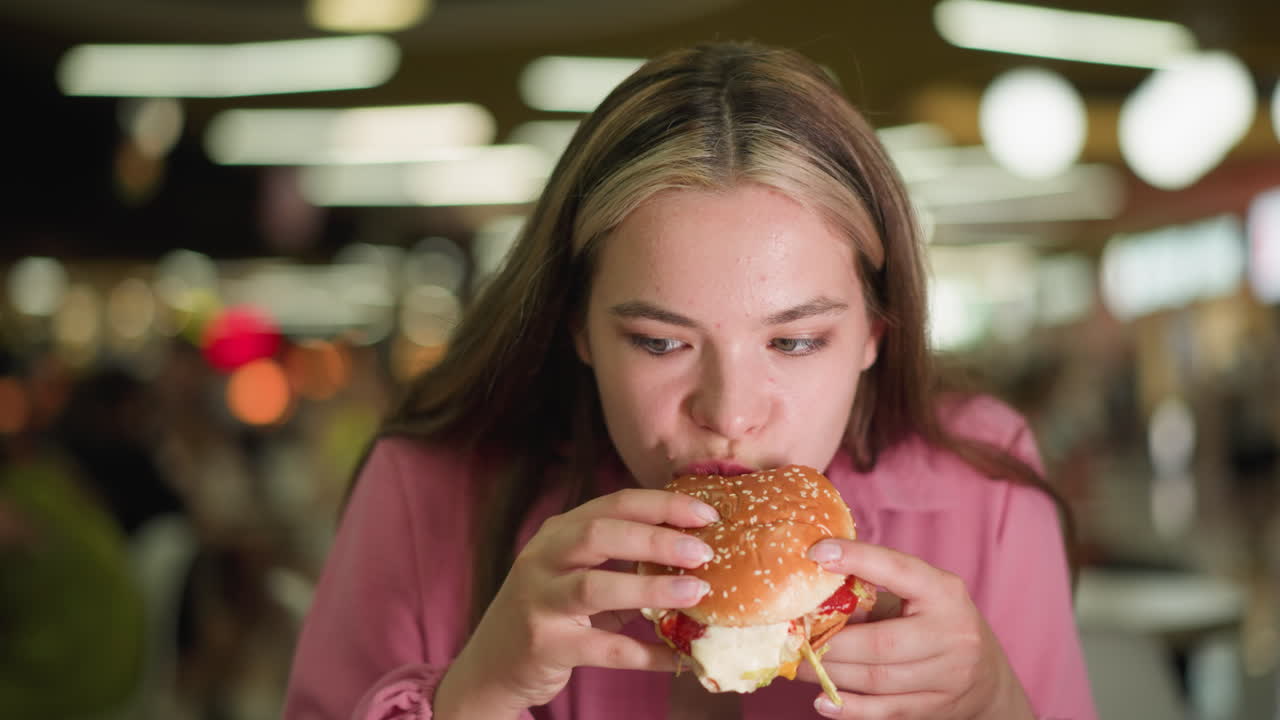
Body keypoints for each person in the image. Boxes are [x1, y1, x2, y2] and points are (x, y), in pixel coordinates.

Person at [283, 41, 1096, 719]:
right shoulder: (428, 490)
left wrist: (996, 701)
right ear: (579, 329)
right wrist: (474, 695)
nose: (730, 414)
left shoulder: (981, 480)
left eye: (799, 341)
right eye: (660, 343)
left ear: (875, 336)